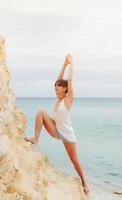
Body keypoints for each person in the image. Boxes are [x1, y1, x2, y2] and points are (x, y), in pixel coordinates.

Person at [24, 54, 90, 195]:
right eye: (55, 88)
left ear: (65, 89)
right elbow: (58, 79)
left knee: (74, 160)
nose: (56, 89)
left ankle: (84, 182)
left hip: (67, 136)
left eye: (58, 88)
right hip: (55, 129)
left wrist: (72, 63)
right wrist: (64, 63)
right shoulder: (58, 99)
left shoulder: (68, 100)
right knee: (40, 112)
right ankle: (35, 139)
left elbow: (69, 79)